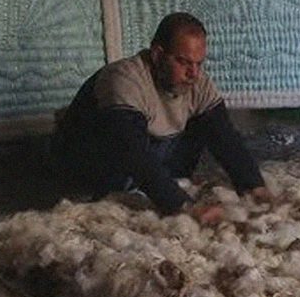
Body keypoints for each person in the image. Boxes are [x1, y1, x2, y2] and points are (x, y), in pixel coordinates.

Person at [52, 12, 270, 224]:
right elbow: (132, 152)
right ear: (157, 55)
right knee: (100, 178)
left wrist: (254, 187)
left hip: (144, 158)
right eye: (183, 62)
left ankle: (162, 187)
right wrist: (184, 206)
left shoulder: (197, 83)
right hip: (93, 165)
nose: (193, 74)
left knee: (206, 122)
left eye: (199, 64)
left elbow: (225, 136)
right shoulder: (124, 79)